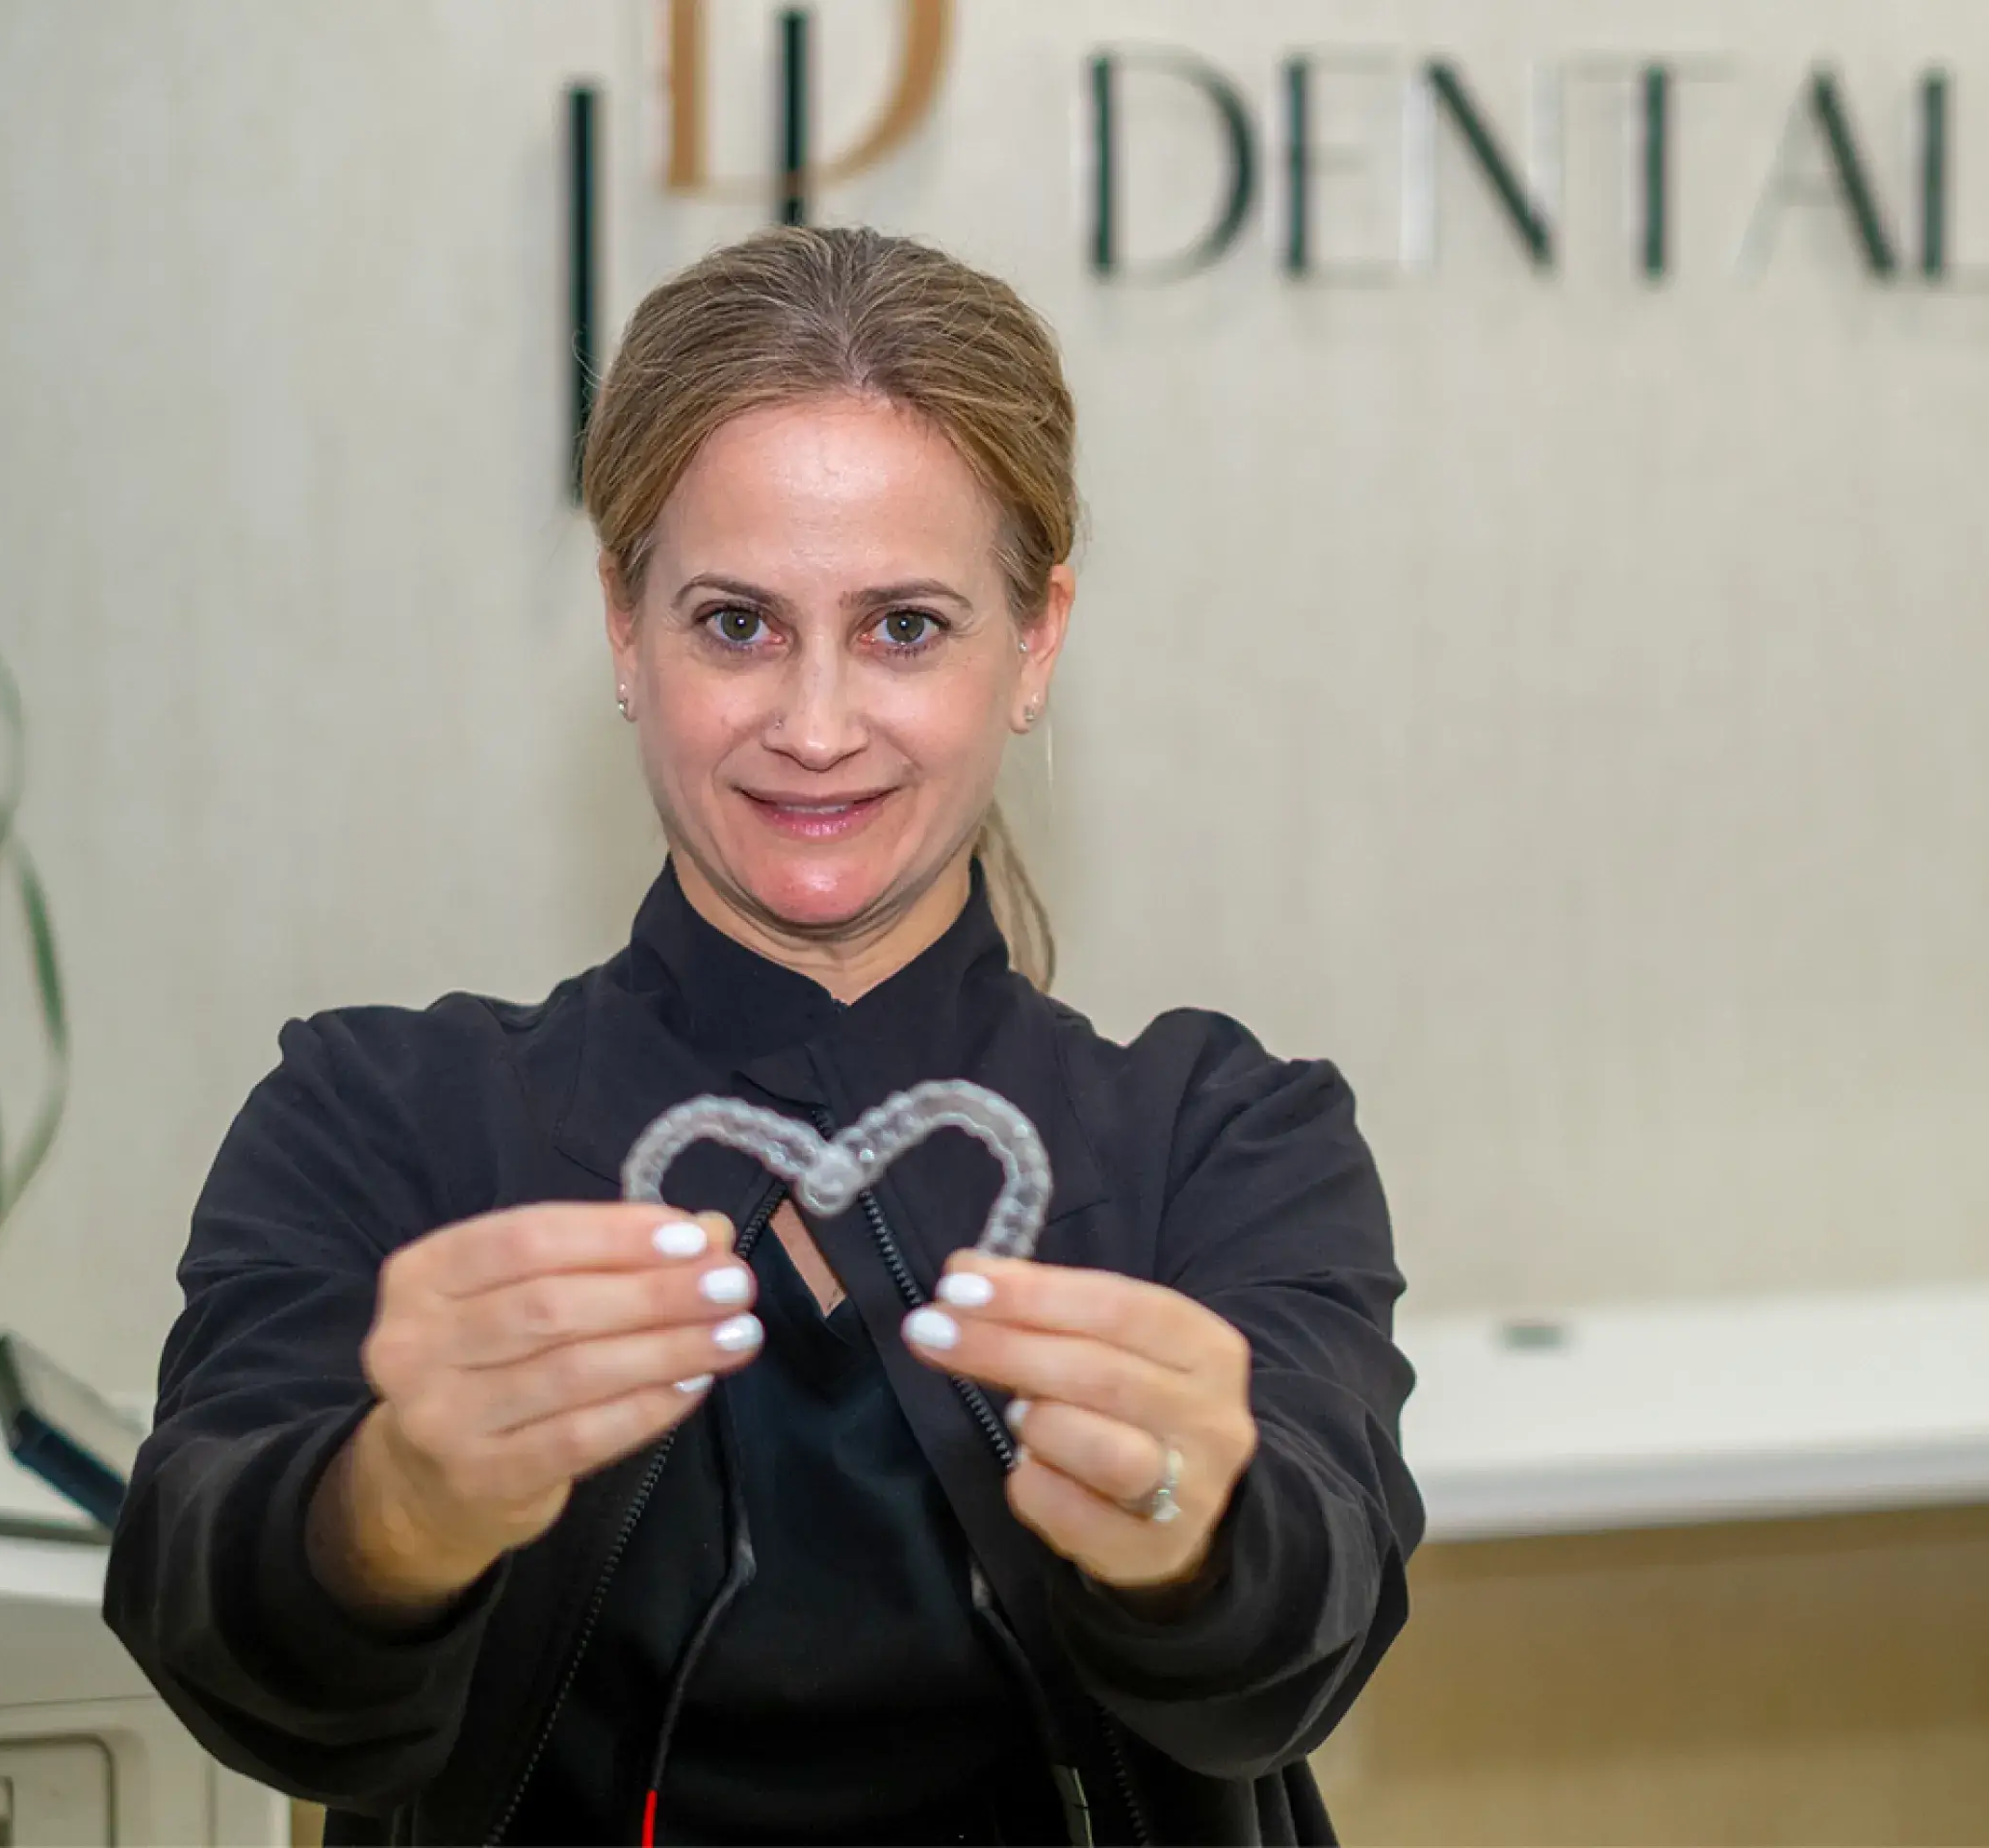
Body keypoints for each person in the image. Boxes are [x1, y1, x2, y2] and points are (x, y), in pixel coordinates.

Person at [102, 226, 1421, 1846]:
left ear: (1039, 639)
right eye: (735, 623)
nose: (813, 725)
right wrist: (392, 1507)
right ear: (623, 627)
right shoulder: (383, 1122)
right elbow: (217, 1644)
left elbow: (1300, 1651)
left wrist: (1194, 1529)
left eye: (905, 628)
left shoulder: (1224, 1138)